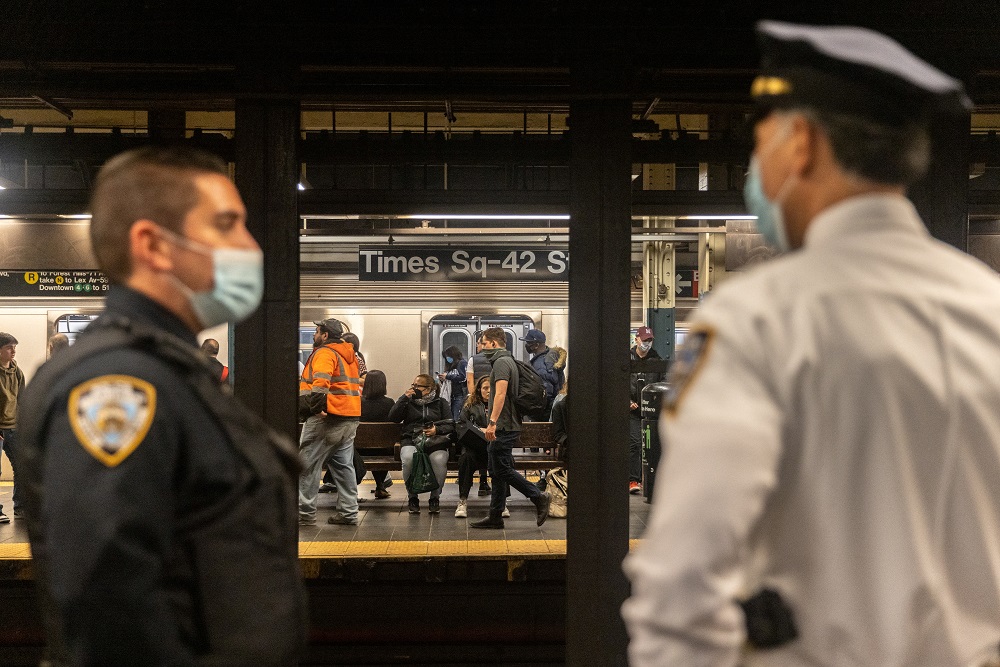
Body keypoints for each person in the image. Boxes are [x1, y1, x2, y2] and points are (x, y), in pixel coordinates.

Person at [622, 21, 1000, 666]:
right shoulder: (988, 306)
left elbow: (682, 583)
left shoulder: (757, 320)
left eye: (760, 139)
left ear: (800, 144)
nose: (754, 166)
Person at [15, 146, 305, 664]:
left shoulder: (172, 372)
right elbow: (108, 600)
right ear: (153, 245)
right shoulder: (118, 385)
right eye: (226, 224)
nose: (250, 245)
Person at [470, 327, 550, 529]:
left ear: (494, 344)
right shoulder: (506, 361)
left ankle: (538, 496)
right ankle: (495, 515)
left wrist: (492, 423)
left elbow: (501, 394)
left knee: (502, 468)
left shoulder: (501, 362)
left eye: (484, 343)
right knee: (496, 471)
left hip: (503, 425)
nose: (481, 347)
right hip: (506, 423)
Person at [299, 317, 362, 526]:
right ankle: (349, 512)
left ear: (325, 335)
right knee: (344, 466)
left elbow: (321, 384)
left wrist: (315, 409)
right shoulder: (349, 355)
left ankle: (304, 513)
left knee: (307, 465)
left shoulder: (325, 353)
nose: (314, 336)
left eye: (316, 332)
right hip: (350, 416)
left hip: (328, 418)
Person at [389, 373, 455, 514]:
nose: (414, 388)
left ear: (429, 388)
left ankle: (435, 497)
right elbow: (393, 417)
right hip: (411, 439)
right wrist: (403, 398)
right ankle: (412, 497)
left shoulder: (441, 403)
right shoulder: (409, 402)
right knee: (408, 459)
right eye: (413, 385)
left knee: (438, 460)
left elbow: (450, 425)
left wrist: (436, 430)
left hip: (435, 441)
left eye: (418, 386)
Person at [455, 376, 506, 518]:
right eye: (485, 388)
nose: (489, 391)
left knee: (504, 460)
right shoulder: (470, 405)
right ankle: (463, 500)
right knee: (466, 458)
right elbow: (461, 425)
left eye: (491, 388)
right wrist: (480, 430)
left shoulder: (502, 404)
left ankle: (502, 502)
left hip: (495, 446)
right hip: (475, 447)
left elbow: (508, 426)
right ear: (479, 390)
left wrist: (492, 430)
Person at [628, 326, 661, 495]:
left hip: (651, 412)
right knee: (635, 443)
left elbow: (662, 383)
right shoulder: (627, 359)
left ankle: (654, 479)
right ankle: (633, 479)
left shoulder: (656, 360)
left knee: (653, 444)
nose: (647, 343)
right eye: (644, 340)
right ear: (637, 339)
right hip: (632, 411)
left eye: (650, 340)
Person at [0, 332, 24, 524]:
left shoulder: (17, 371)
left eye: (14, 347)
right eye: (9, 347)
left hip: (14, 427)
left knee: (22, 467)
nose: (13, 351)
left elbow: (22, 399)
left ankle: (21, 507)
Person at [519, 328, 566, 419]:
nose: (526, 345)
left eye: (528, 343)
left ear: (536, 345)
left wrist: (535, 409)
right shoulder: (550, 357)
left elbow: (546, 391)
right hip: (551, 407)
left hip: (544, 411)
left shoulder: (541, 364)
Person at [438, 344, 469, 422]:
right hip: (451, 395)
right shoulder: (451, 366)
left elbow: (463, 377)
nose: (448, 359)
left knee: (456, 418)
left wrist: (448, 376)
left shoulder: (461, 363)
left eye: (448, 356)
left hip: (459, 395)